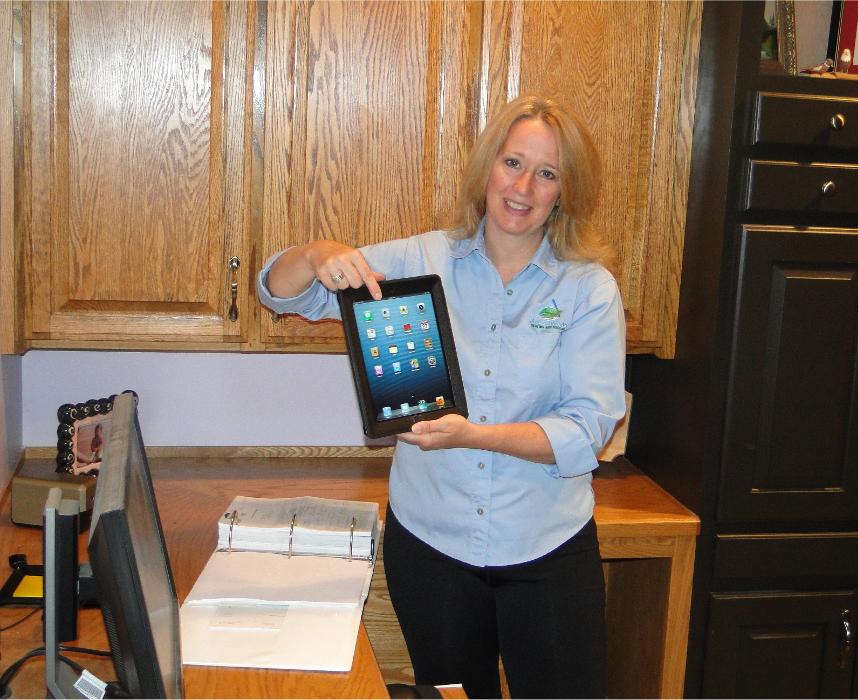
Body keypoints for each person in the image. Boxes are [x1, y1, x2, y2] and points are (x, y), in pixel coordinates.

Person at [258, 95, 626, 699]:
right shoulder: (418, 260)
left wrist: (471, 434)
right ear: (487, 168)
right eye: (513, 163)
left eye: (547, 173)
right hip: (432, 552)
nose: (523, 186)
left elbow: (587, 431)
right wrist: (316, 255)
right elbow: (281, 293)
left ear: (565, 190)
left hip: (549, 550)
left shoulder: (588, 288)